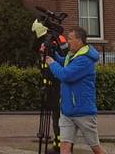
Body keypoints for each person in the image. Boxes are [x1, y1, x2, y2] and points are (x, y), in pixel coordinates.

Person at [44, 26, 104, 154]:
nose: (67, 41)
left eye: (70, 39)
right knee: (64, 148)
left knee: (95, 148)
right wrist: (52, 53)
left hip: (83, 111)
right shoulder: (73, 55)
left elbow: (66, 75)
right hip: (68, 110)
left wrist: (51, 63)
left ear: (80, 40)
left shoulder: (84, 60)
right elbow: (63, 63)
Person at [34, 20, 68, 154]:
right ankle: (58, 145)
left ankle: (61, 147)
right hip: (54, 85)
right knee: (56, 116)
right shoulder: (59, 41)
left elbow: (54, 64)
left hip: (56, 86)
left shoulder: (54, 43)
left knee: (57, 116)